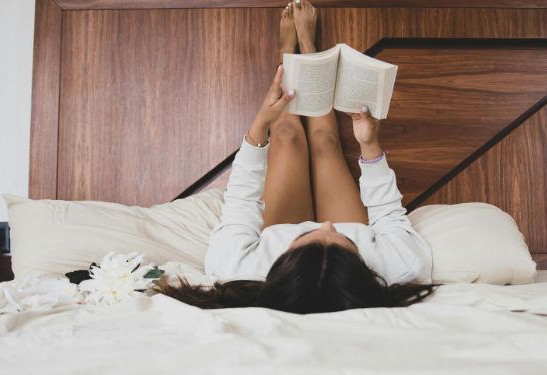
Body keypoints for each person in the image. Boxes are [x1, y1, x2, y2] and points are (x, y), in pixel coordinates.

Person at [157, 1, 440, 314]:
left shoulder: (238, 269)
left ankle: (287, 54)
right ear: (364, 271)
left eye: (308, 235)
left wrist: (259, 126)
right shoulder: (400, 268)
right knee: (324, 142)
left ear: (281, 264)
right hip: (346, 245)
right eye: (347, 243)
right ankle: (309, 48)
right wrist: (369, 143)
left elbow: (241, 201)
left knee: (287, 137)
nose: (329, 224)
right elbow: (387, 215)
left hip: (277, 227)